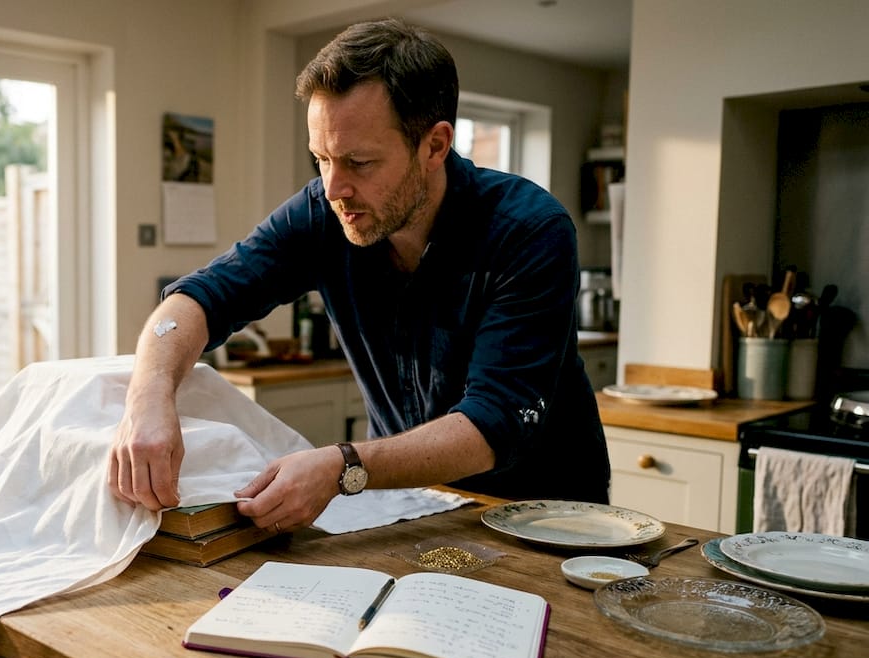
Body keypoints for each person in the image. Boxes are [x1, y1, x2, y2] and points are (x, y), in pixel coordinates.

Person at [108, 18, 609, 533]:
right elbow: (199, 298)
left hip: (551, 520)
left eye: (359, 162)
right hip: (416, 508)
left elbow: (494, 424)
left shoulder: (529, 231)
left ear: (435, 147)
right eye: (321, 158)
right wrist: (147, 399)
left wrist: (343, 464)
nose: (333, 187)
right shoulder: (323, 212)